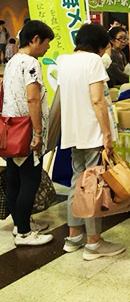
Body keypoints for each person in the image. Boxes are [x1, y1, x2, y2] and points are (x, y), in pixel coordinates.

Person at [57, 23, 124, 260]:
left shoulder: (63, 60)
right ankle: (94, 242)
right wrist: (107, 135)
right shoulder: (93, 61)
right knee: (93, 187)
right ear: (98, 45)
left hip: (73, 132)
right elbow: (97, 101)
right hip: (92, 131)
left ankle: (73, 236)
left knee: (78, 183)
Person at [2, 21, 55, 246]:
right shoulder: (31, 63)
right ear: (35, 40)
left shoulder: (12, 60)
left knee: (14, 177)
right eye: (46, 43)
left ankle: (18, 224)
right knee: (30, 181)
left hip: (10, 128)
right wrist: (39, 133)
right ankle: (24, 232)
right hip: (26, 130)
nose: (47, 48)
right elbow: (32, 97)